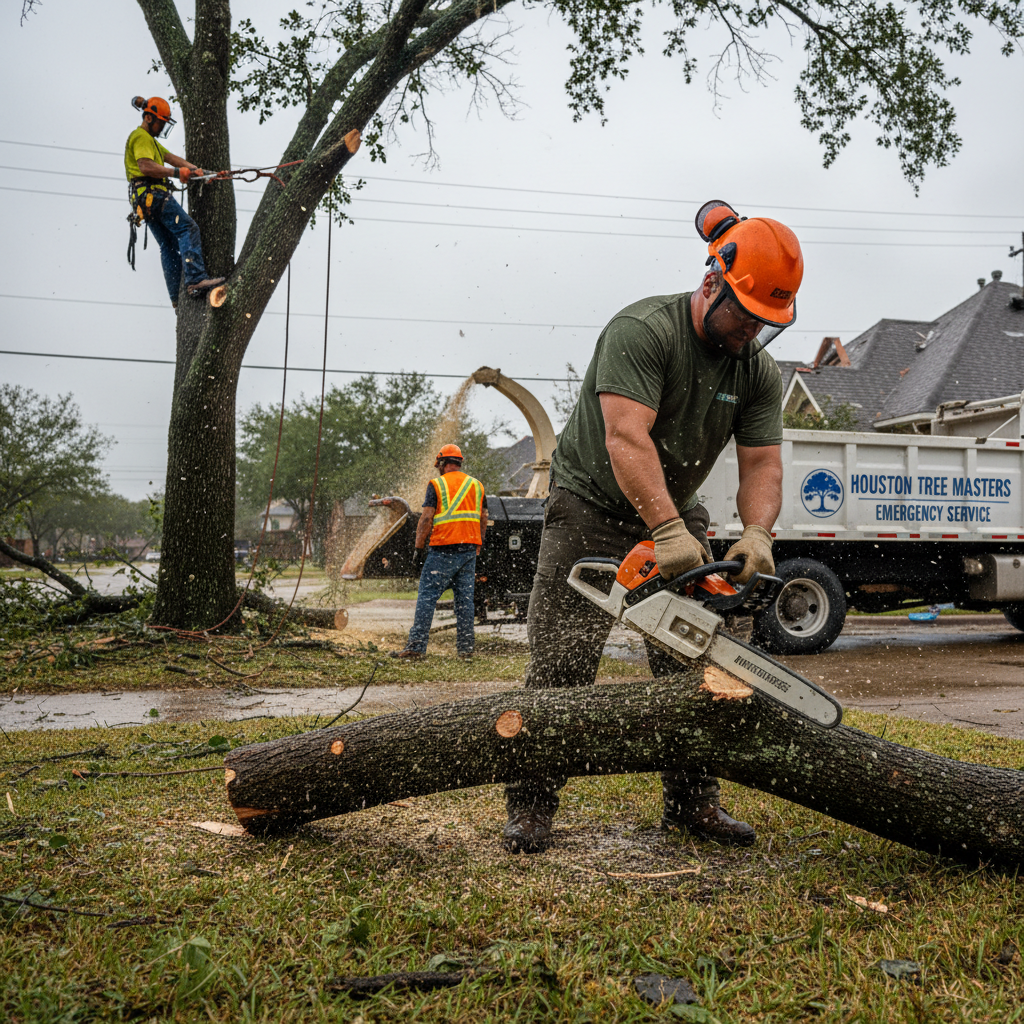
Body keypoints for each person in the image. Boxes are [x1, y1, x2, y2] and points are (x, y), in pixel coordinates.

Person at [503, 200, 804, 855]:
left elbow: (762, 463)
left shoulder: (755, 369)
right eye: (745, 316)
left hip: (676, 509)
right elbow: (625, 436)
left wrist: (757, 531)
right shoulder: (643, 330)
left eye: (765, 322)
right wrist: (666, 530)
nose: (751, 332)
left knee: (691, 663)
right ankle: (531, 808)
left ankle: (694, 802)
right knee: (562, 664)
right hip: (587, 508)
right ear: (711, 283)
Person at [391, 444, 489, 661]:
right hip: (469, 550)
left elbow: (426, 518)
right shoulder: (477, 485)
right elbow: (483, 518)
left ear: (443, 464)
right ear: (459, 462)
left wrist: (418, 548)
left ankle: (416, 648)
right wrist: (478, 544)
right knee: (465, 601)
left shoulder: (436, 485)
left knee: (427, 597)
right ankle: (466, 650)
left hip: (443, 549)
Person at [124, 96, 224, 308]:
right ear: (149, 118)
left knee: (168, 245)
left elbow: (171, 158)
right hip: (153, 195)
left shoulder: (151, 142)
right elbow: (146, 167)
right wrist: (177, 173)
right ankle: (196, 279)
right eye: (161, 122)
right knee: (188, 228)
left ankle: (176, 299)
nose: (162, 128)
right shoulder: (141, 137)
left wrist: (200, 172)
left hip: (143, 202)